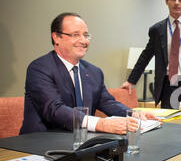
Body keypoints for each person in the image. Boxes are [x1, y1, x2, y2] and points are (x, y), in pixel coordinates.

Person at [20, 12, 157, 135]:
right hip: (41, 143)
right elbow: (54, 110)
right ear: (56, 37)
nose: (83, 41)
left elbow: (107, 102)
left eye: (86, 35)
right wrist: (101, 124)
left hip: (81, 142)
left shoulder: (94, 72)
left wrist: (134, 114)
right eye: (75, 35)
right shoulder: (39, 68)